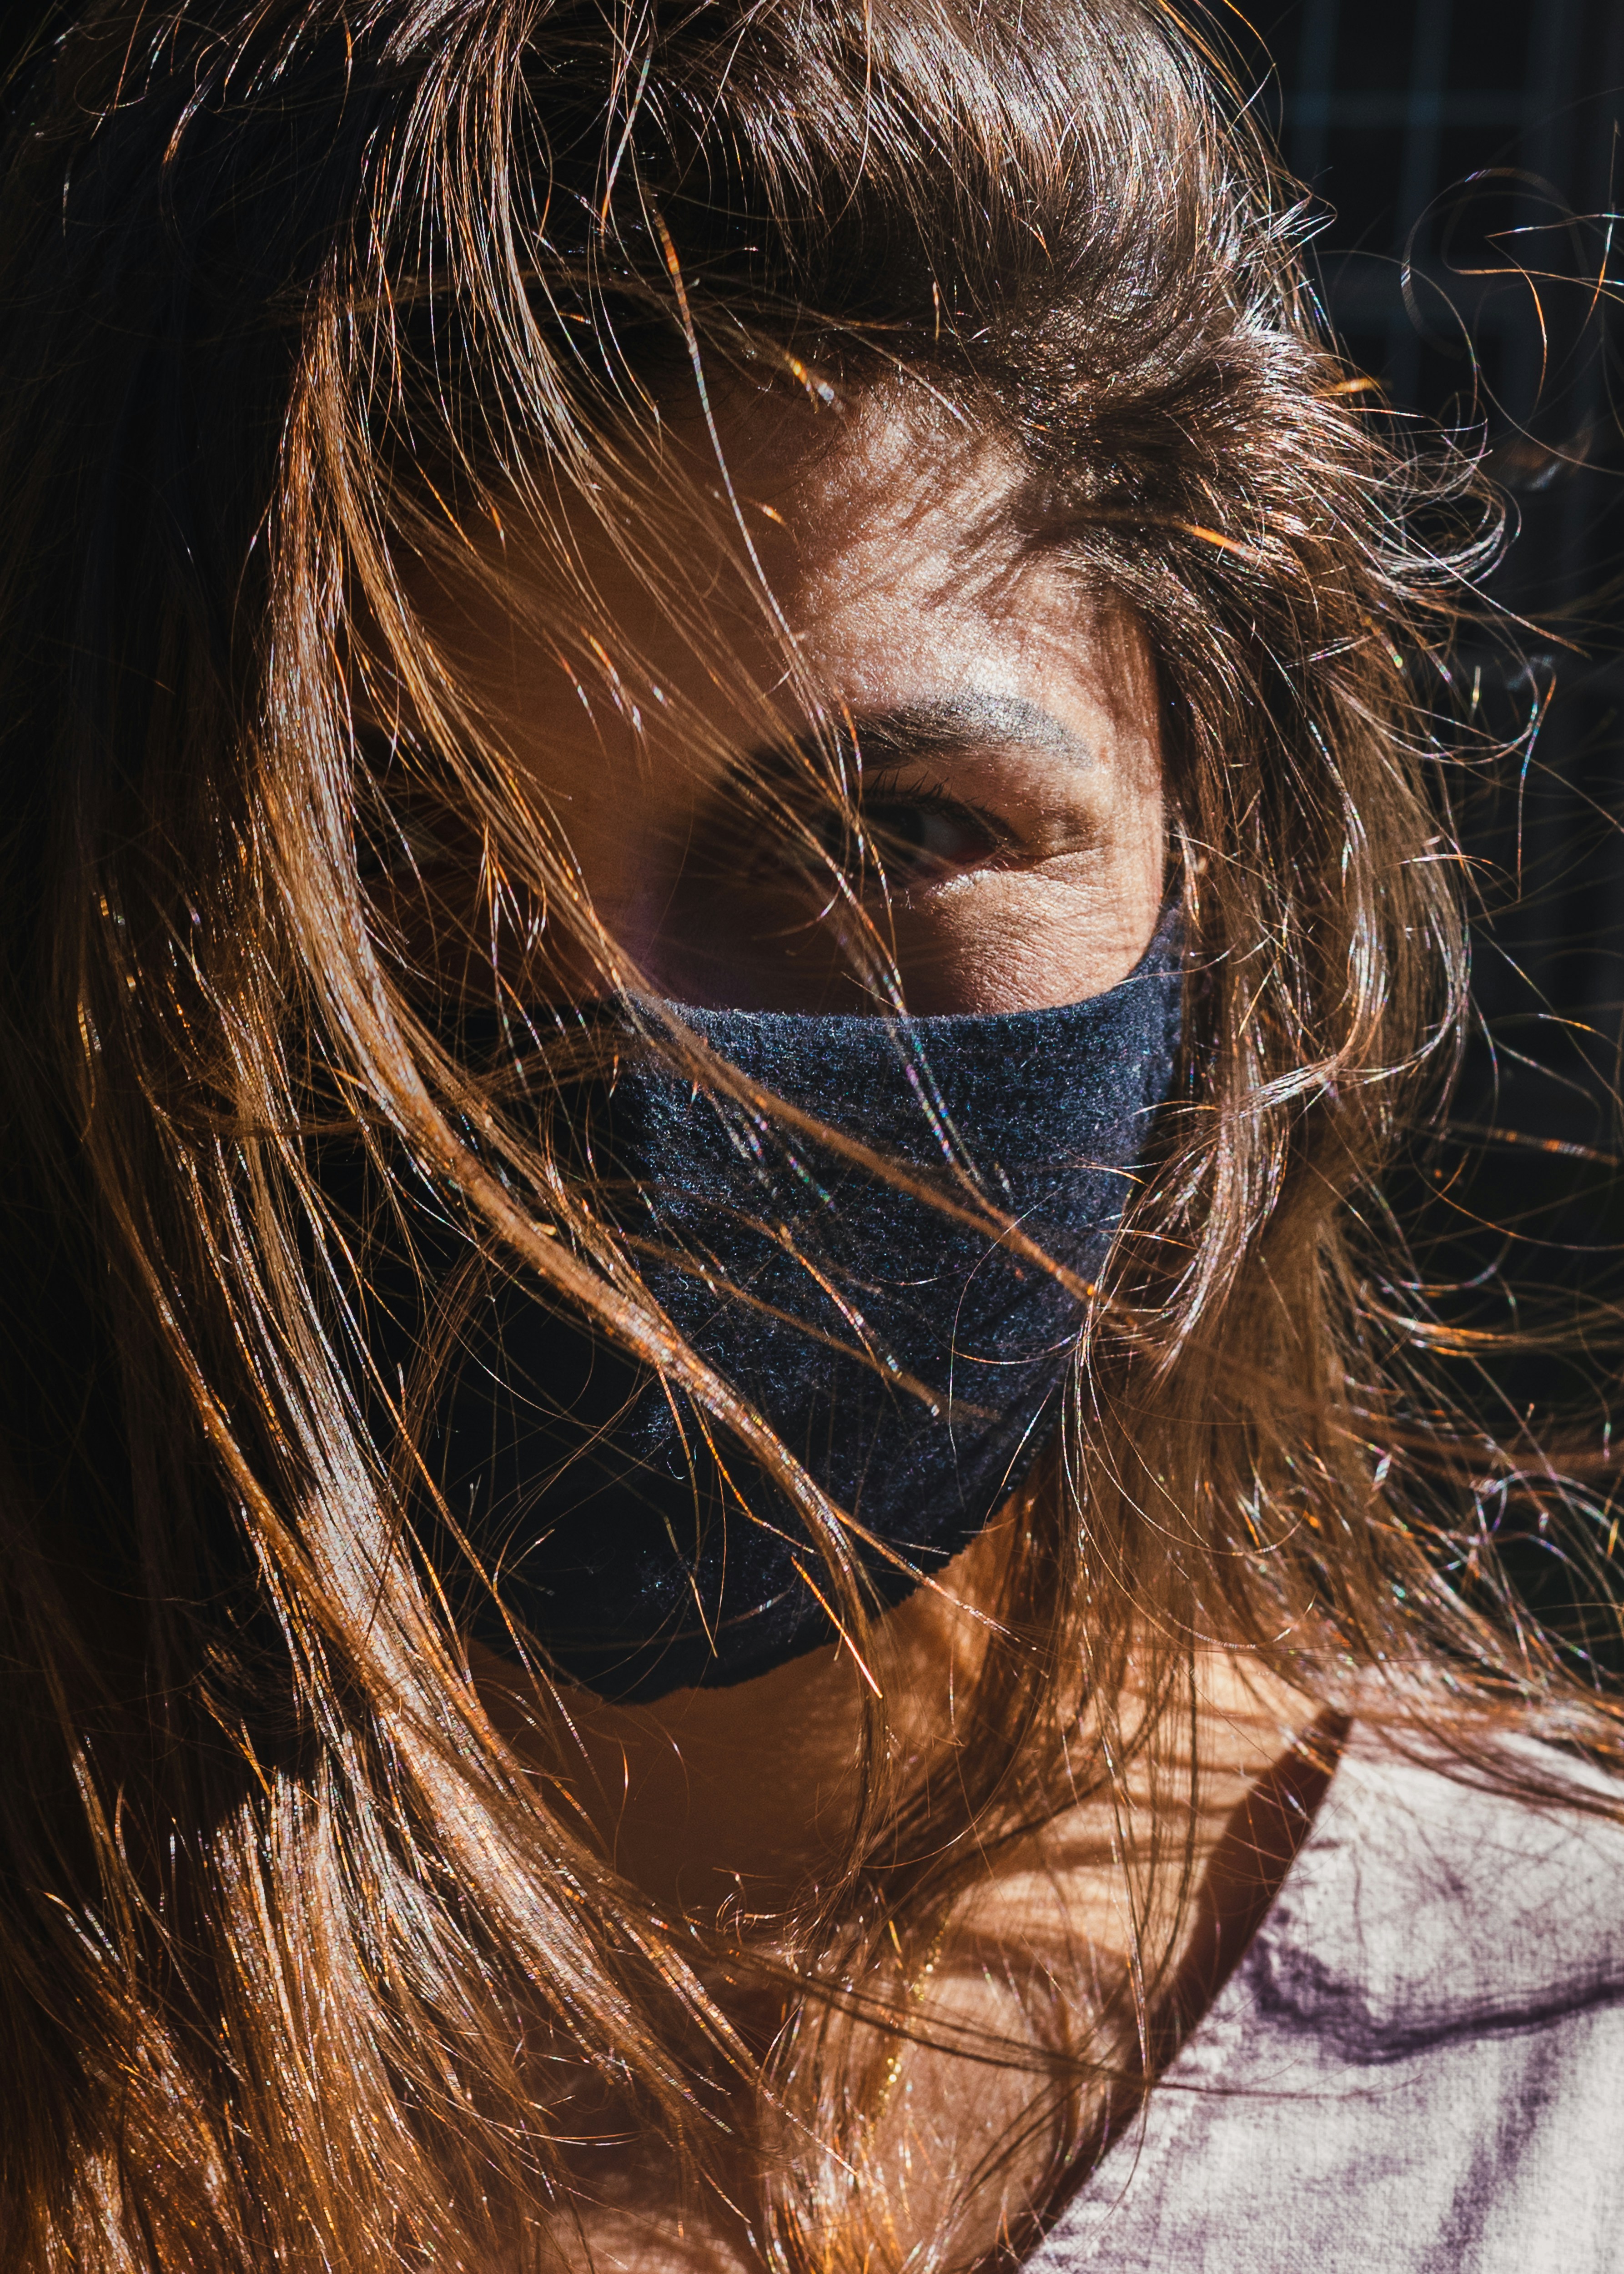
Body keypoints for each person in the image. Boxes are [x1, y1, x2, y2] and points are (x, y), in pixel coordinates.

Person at [0, 1, 1619, 2267]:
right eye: (377, 866)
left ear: (1216, 874)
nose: (643, 1078)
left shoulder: (1554, 2097)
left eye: (892, 828)